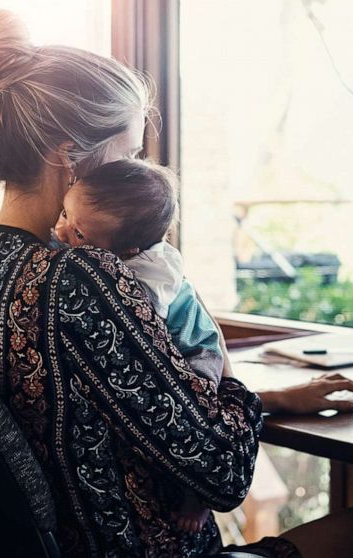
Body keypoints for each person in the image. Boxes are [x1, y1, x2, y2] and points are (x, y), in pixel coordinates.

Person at [0, 9, 353, 558]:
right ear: (68, 157)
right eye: (127, 156)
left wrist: (271, 400)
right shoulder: (84, 277)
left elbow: (103, 411)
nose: (135, 176)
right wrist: (233, 379)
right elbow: (223, 475)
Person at [53, 158, 229, 534]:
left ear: (129, 250)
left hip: (197, 350)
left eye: (79, 234)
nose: (62, 230)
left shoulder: (148, 279)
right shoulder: (105, 244)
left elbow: (142, 326)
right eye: (65, 213)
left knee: (195, 416)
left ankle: (197, 496)